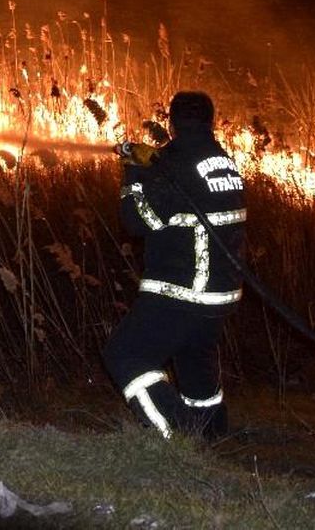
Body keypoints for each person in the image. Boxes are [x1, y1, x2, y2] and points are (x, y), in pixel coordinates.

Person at [104, 91, 246, 439]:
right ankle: (210, 432)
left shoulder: (175, 165)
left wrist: (134, 174)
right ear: (210, 121)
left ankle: (175, 432)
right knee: (194, 360)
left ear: (171, 121)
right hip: (221, 294)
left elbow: (137, 221)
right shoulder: (224, 163)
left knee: (125, 354)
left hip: (182, 290)